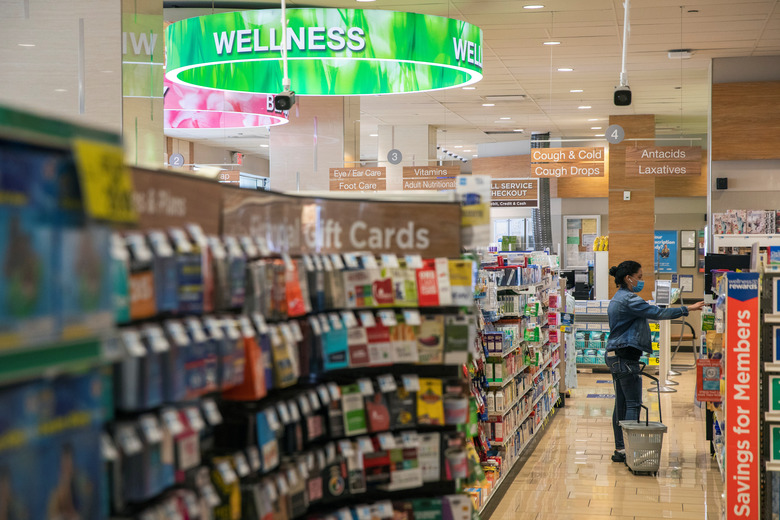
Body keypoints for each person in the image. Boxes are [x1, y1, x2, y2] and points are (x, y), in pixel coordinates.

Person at [605, 260, 705, 463]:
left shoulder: (618, 298)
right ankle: (631, 451)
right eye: (639, 277)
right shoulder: (629, 300)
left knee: (622, 404)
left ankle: (621, 449)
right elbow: (658, 313)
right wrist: (688, 309)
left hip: (616, 356)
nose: (641, 281)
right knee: (633, 403)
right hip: (625, 357)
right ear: (628, 278)